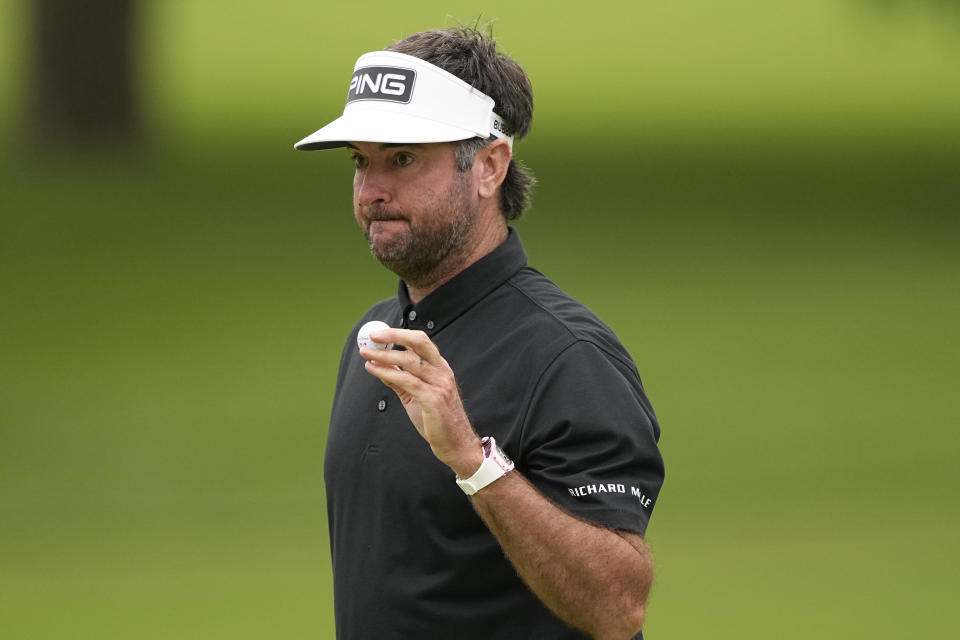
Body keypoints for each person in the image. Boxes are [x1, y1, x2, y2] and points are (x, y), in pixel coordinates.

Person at [295, 27, 665, 639]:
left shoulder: (567, 355)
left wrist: (472, 459)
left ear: (490, 165)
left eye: (404, 158)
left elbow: (618, 606)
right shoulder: (373, 336)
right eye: (361, 161)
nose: (372, 190)